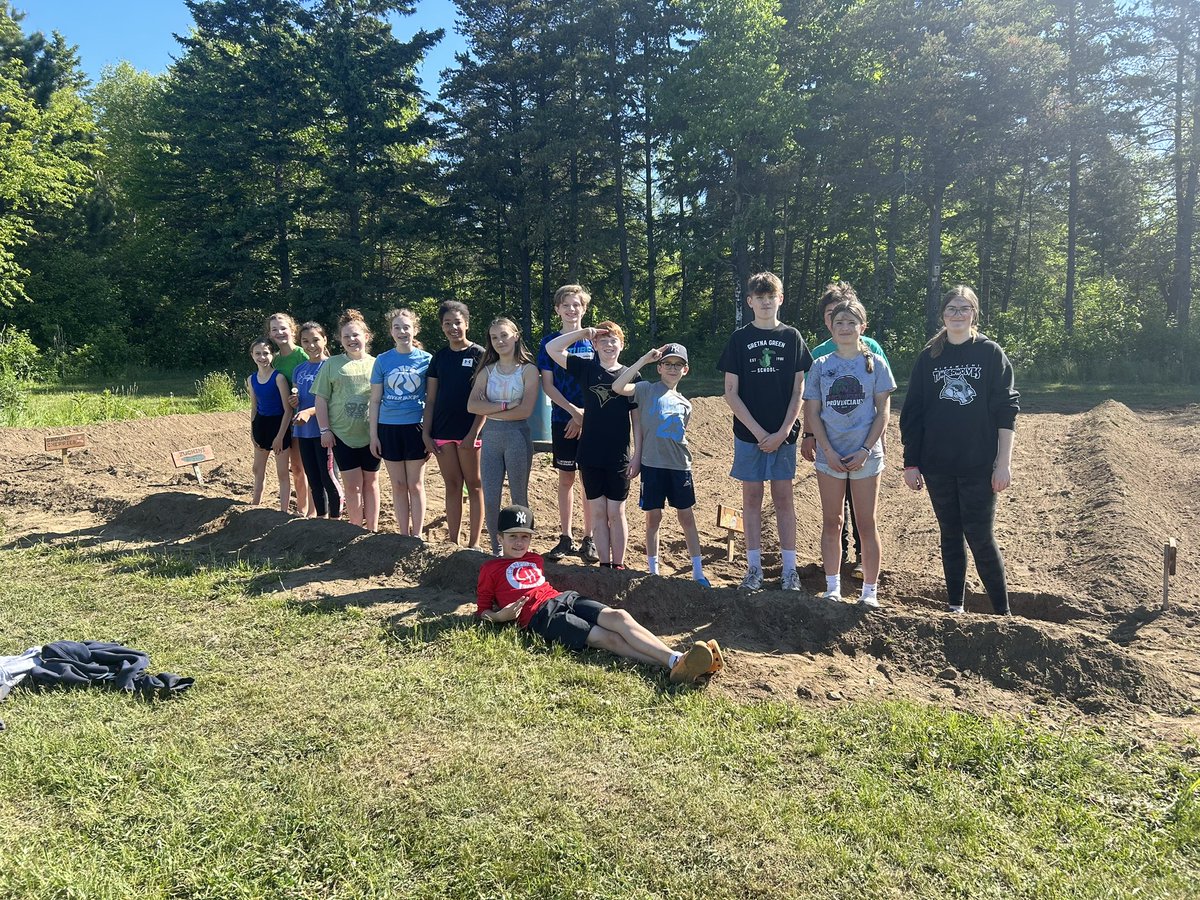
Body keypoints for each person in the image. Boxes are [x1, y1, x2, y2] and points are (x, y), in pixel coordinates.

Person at [476, 504, 723, 684]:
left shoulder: (534, 559)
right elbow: (481, 612)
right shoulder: (489, 569)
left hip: (564, 597)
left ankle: (677, 659)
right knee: (609, 639)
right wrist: (500, 617)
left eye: (525, 537)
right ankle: (677, 663)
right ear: (500, 538)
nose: (519, 543)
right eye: (513, 537)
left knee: (620, 617)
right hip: (542, 618)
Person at [900, 285, 1019, 615]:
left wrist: (1003, 463)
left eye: (964, 308)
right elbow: (914, 412)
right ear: (943, 314)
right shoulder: (930, 357)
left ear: (974, 314)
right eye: (952, 308)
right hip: (937, 464)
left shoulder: (990, 353)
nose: (957, 314)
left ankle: (1003, 613)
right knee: (950, 535)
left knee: (980, 536)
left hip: (978, 464)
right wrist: (911, 463)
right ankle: (956, 608)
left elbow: (1006, 409)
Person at [718, 271, 813, 592]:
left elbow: (800, 389)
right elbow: (731, 392)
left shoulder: (792, 337)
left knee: (784, 498)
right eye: (759, 298)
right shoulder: (739, 339)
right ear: (750, 302)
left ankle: (789, 570)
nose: (765, 302)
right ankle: (754, 569)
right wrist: (759, 433)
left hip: (784, 434)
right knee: (752, 499)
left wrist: (784, 430)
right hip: (749, 435)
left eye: (770, 296)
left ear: (780, 299)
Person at [802, 297, 896, 607]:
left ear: (862, 327)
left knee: (866, 522)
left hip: (866, 456)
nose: (845, 328)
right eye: (839, 322)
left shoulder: (875, 364)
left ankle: (870, 591)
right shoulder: (819, 366)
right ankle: (832, 588)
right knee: (833, 521)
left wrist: (866, 449)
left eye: (851, 323)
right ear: (830, 325)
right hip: (830, 456)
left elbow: (883, 413)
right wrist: (826, 451)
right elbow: (813, 412)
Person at [612, 342, 711, 587]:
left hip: (680, 467)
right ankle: (653, 570)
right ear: (659, 367)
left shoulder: (685, 403)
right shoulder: (646, 389)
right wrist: (644, 359)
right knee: (653, 518)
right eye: (668, 364)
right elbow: (618, 386)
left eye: (678, 365)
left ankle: (698, 572)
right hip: (652, 466)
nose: (672, 369)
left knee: (686, 517)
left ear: (685, 370)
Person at [546, 322, 640, 569]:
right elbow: (552, 349)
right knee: (598, 512)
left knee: (616, 513)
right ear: (595, 345)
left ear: (622, 345)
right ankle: (604, 565)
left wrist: (637, 454)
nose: (609, 345)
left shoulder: (631, 375)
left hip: (618, 456)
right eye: (603, 340)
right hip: (589, 454)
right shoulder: (585, 368)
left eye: (614, 340)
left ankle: (617, 565)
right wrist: (584, 333)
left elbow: (636, 421)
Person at [537, 284, 599, 563]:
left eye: (576, 304)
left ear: (584, 308)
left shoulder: (596, 342)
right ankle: (566, 536)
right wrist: (574, 412)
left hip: (593, 422)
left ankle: (590, 538)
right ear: (557, 309)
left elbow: (602, 382)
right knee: (566, 479)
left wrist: (585, 417)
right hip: (563, 419)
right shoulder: (548, 342)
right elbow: (547, 386)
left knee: (589, 482)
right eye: (566, 305)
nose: (571, 309)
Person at [467, 317, 539, 555]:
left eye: (504, 335)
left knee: (518, 495)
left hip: (517, 436)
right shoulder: (487, 371)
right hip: (491, 437)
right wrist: (507, 405)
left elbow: (526, 410)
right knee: (491, 495)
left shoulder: (528, 370)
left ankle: (521, 546)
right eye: (494, 337)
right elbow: (472, 406)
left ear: (516, 336)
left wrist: (491, 406)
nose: (499, 341)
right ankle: (496, 547)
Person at [422, 300, 485, 547]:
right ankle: (453, 541)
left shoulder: (479, 354)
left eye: (457, 322)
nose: (453, 328)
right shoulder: (439, 357)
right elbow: (431, 399)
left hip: (470, 433)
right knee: (452, 485)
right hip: (442, 432)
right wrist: (426, 434)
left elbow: (485, 399)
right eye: (447, 324)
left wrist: (473, 433)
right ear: (442, 327)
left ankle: (475, 543)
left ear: (466, 324)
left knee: (475, 485)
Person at [313, 309, 380, 530]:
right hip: (342, 435)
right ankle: (355, 528)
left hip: (371, 435)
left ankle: (372, 529)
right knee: (353, 486)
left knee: (371, 484)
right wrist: (325, 430)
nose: (352, 340)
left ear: (366, 337)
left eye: (356, 335)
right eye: (346, 336)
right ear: (340, 340)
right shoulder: (331, 365)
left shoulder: (376, 364)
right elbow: (321, 399)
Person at [370, 308, 433, 538]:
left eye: (406, 327)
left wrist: (429, 432)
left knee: (415, 484)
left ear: (414, 330)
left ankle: (416, 535)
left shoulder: (426, 360)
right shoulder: (382, 361)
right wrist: (374, 436)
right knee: (398, 484)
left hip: (416, 427)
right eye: (397, 327)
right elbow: (375, 400)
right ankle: (403, 534)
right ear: (391, 332)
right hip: (388, 428)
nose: (402, 331)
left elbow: (432, 399)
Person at [292, 322, 344, 518]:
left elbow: (334, 401)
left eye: (315, 340)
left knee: (328, 476)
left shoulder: (331, 366)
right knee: (313, 478)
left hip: (324, 431)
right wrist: (294, 401)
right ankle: (320, 519)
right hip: (303, 431)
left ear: (325, 340)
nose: (311, 345)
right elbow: (297, 397)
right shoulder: (299, 369)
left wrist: (309, 412)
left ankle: (335, 518)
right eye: (305, 341)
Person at [267, 312, 311, 516]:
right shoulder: (274, 360)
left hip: (305, 418)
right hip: (285, 419)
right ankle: (301, 509)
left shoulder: (302, 354)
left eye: (283, 328)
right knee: (296, 467)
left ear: (292, 330)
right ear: (269, 334)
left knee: (309, 465)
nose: (279, 332)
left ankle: (314, 509)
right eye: (274, 329)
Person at [246, 338, 292, 512]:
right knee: (257, 469)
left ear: (272, 355)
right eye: (258, 353)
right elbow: (253, 407)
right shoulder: (251, 379)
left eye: (266, 353)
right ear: (252, 355)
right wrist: (252, 432)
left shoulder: (279, 378)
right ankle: (255, 504)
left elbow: (287, 410)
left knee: (282, 472)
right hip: (261, 425)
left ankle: (283, 510)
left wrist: (280, 436)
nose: (262, 357)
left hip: (279, 425)